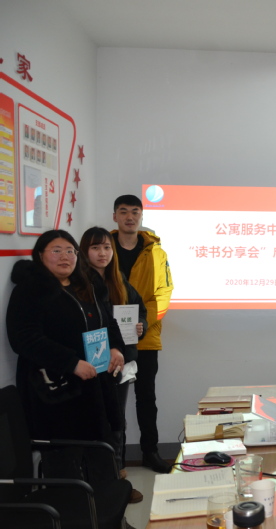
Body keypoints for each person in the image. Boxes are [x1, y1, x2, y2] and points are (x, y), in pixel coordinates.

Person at [6, 230, 126, 442]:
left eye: (70, 251)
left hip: (95, 385)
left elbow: (108, 322)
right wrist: (71, 363)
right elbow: (24, 338)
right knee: (67, 452)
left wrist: (115, 348)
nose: (65, 256)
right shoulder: (30, 290)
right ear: (40, 255)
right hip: (57, 390)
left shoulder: (86, 285)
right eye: (56, 251)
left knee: (101, 447)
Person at [80, 227, 148, 502]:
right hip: (94, 366)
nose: (102, 253)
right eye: (96, 248)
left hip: (120, 363)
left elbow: (139, 309)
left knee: (118, 421)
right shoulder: (79, 283)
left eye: (107, 247)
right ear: (84, 251)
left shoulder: (117, 279)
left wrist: (140, 325)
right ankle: (102, 483)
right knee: (101, 424)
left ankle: (118, 477)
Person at [112, 195, 174, 473]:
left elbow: (164, 292)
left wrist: (141, 323)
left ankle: (150, 452)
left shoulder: (156, 252)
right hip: (110, 338)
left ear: (141, 216)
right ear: (115, 216)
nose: (129, 217)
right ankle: (116, 459)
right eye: (123, 211)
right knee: (113, 401)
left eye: (135, 212)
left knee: (146, 398)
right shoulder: (104, 248)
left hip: (145, 337)